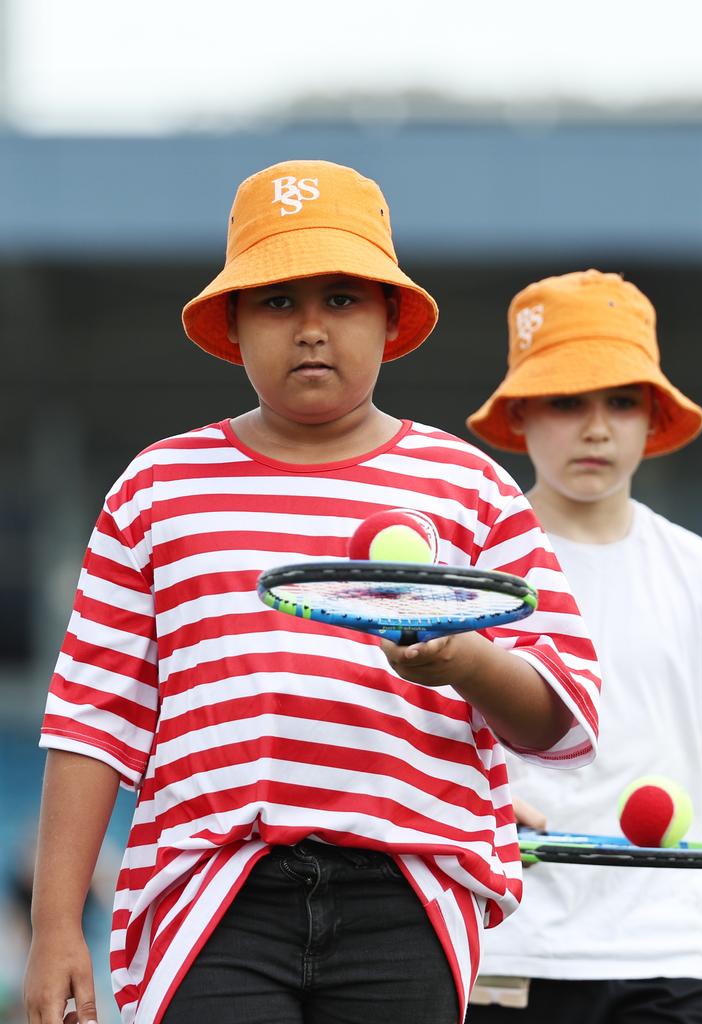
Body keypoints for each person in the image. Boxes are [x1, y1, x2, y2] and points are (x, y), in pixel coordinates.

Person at [23, 162, 601, 1024]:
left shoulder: (467, 485)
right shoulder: (158, 487)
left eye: (341, 299)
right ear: (231, 322)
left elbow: (561, 713)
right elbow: (92, 719)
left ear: (391, 317)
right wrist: (54, 928)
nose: (311, 330)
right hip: (209, 893)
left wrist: (465, 659)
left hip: (411, 890)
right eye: (277, 301)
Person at [464, 268, 702, 1024]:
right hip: (502, 948)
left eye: (621, 401)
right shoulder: (471, 570)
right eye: (566, 400)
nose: (596, 426)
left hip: (664, 956)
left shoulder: (698, 568)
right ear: (522, 416)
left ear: (651, 419)